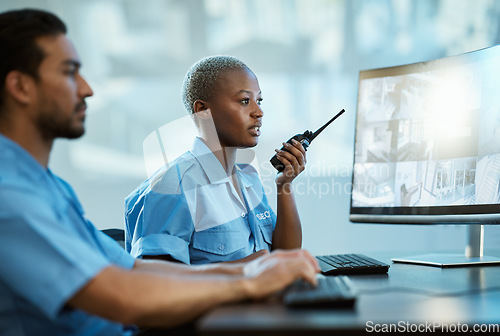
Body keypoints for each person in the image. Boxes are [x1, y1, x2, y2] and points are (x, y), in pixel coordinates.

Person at [0, 8, 319, 335]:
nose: (87, 89)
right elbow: (125, 295)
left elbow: (135, 270)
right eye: (69, 72)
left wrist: (256, 271)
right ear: (21, 87)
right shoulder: (11, 197)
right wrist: (249, 283)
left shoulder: (48, 187)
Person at [125, 56, 308, 265]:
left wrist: (284, 185)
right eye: (244, 101)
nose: (259, 112)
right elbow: (157, 282)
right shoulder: (173, 186)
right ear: (203, 110)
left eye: (259, 100)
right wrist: (246, 271)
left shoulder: (249, 179)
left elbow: (285, 259)